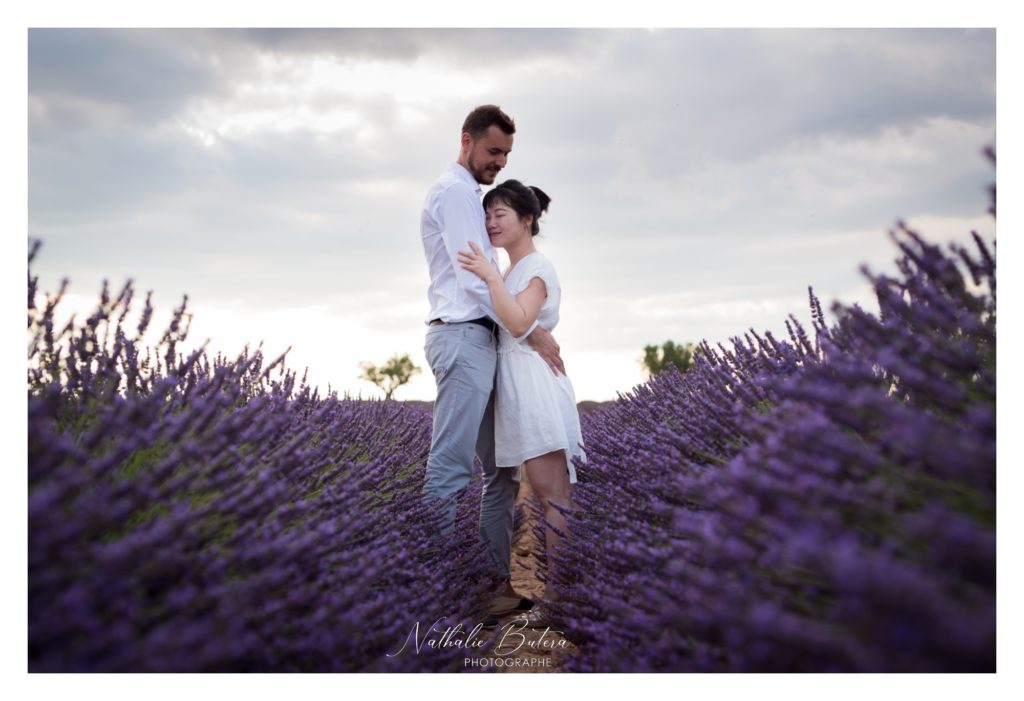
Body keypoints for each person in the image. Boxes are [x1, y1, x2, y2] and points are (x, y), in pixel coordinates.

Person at [419, 105, 564, 621]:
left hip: (483, 342)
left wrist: (519, 326)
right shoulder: (457, 192)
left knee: (501, 473)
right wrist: (532, 328)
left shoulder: (471, 197)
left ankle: (495, 582)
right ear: (467, 140)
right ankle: (434, 587)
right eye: (493, 150)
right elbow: (473, 282)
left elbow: (489, 281)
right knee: (451, 467)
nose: (499, 161)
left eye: (506, 154)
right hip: (463, 338)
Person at [458, 179, 585, 625]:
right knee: (548, 496)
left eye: (501, 214)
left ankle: (560, 602)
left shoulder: (535, 266)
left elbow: (516, 321)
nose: (491, 222)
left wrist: (490, 276)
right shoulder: (513, 269)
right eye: (488, 214)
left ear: (526, 219)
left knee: (554, 496)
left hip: (535, 386)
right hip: (518, 385)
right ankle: (557, 598)